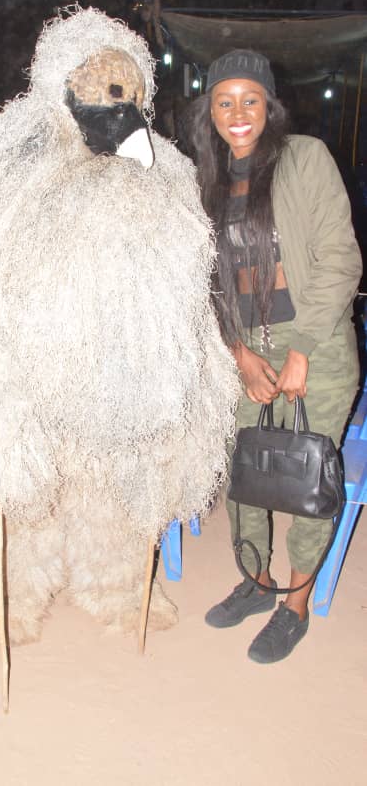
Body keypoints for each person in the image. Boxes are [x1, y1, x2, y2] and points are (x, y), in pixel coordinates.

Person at [183, 49, 362, 663]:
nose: (238, 113)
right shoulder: (203, 182)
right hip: (246, 348)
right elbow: (203, 281)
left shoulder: (304, 158)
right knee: (246, 477)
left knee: (309, 476)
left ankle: (296, 604)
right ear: (209, 110)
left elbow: (341, 258)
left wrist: (303, 350)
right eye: (224, 101)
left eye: (250, 99)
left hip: (317, 344)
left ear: (269, 105)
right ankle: (257, 583)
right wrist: (238, 352)